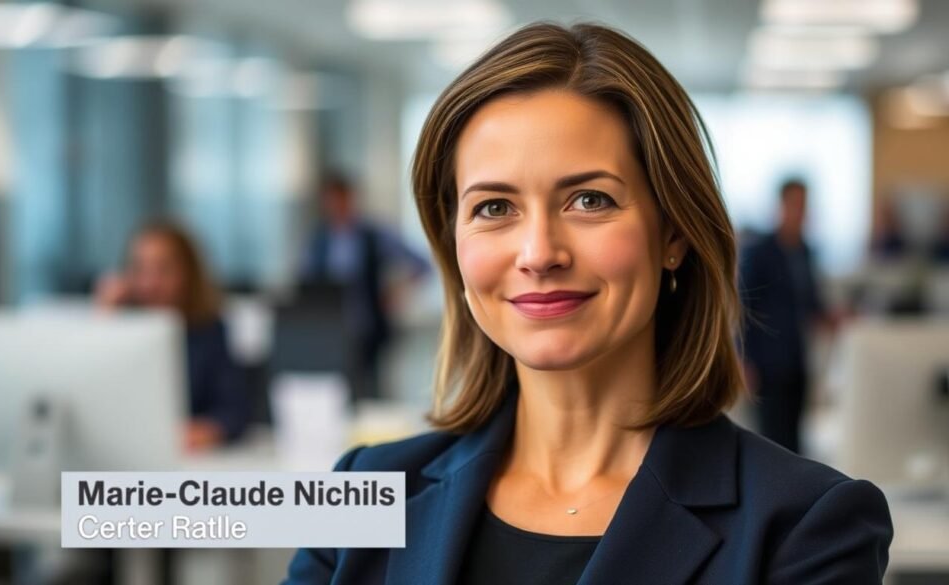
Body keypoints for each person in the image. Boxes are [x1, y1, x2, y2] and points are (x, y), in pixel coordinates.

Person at [285, 22, 892, 584]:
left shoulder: (804, 528)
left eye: (590, 200)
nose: (539, 252)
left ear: (674, 233)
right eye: (494, 208)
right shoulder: (365, 488)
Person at [97, 220, 250, 451]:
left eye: (164, 270)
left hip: (185, 460)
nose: (150, 283)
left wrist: (202, 431)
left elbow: (234, 412)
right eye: (139, 270)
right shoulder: (116, 329)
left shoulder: (209, 330)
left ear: (188, 274)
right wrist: (103, 322)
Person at [301, 172, 431, 401]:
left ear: (351, 198)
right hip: (332, 328)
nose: (336, 206)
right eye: (330, 200)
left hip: (370, 325)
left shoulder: (374, 235)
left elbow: (420, 264)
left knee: (372, 389)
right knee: (337, 391)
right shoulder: (320, 239)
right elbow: (306, 280)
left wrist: (397, 290)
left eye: (341, 199)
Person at [740, 179, 831, 454]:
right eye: (795, 204)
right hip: (768, 362)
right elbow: (744, 309)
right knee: (771, 441)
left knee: (796, 438)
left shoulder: (805, 251)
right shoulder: (759, 252)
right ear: (781, 206)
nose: (800, 211)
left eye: (804, 205)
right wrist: (744, 359)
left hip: (797, 358)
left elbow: (812, 304)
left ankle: (797, 496)